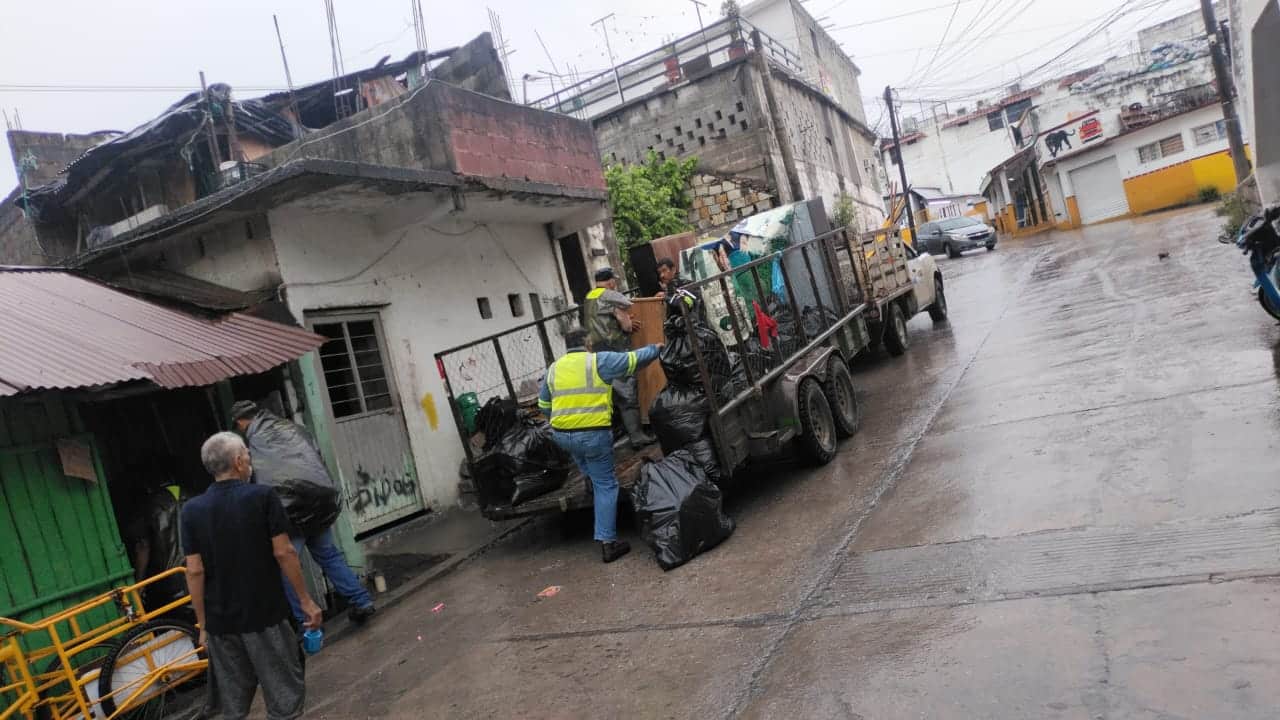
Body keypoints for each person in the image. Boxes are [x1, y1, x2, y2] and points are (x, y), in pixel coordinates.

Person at [182, 432, 323, 720]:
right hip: (265, 616)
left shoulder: (192, 510)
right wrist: (306, 601)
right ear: (237, 462)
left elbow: (194, 570)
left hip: (222, 624)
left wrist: (203, 624)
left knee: (234, 706)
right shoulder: (262, 497)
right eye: (247, 454)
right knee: (285, 697)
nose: (249, 460)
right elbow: (284, 552)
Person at [231, 401, 377, 626]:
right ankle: (361, 600)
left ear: (241, 422)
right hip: (318, 503)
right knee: (328, 555)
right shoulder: (290, 427)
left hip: (289, 515)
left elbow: (255, 479)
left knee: (289, 566)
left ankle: (305, 622)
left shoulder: (253, 442)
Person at [538, 328, 661, 563]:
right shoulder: (597, 362)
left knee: (589, 469)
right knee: (607, 485)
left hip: (563, 435)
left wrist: (564, 416)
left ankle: (590, 484)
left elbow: (543, 404)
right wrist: (655, 349)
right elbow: (632, 360)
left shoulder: (554, 369)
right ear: (587, 343)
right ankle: (608, 543)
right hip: (592, 436)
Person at [583, 267, 656, 449]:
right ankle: (638, 437)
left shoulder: (589, 298)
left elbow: (602, 321)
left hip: (597, 353)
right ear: (610, 281)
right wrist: (629, 322)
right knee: (627, 395)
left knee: (614, 396)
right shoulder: (610, 295)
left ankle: (623, 434)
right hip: (616, 349)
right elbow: (626, 325)